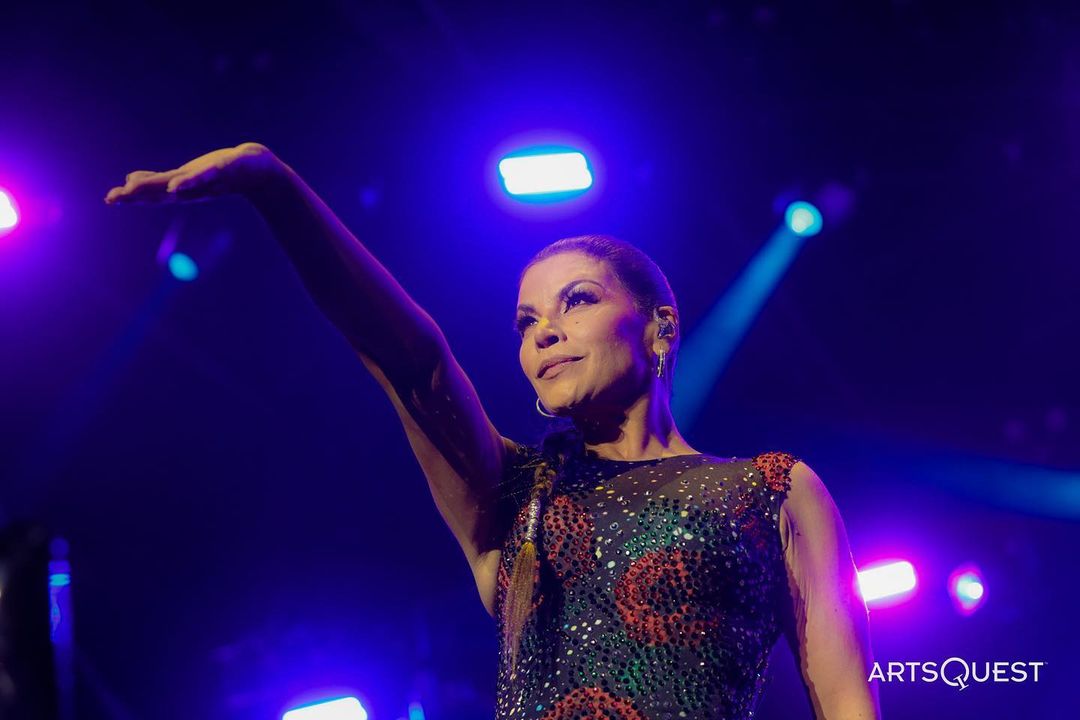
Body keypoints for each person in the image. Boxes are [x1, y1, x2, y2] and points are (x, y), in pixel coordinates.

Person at [104, 143, 881, 719]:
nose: (545, 333)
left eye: (577, 300)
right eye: (525, 322)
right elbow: (411, 362)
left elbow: (847, 701)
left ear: (660, 327)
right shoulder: (514, 494)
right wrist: (275, 188)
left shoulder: (770, 490)